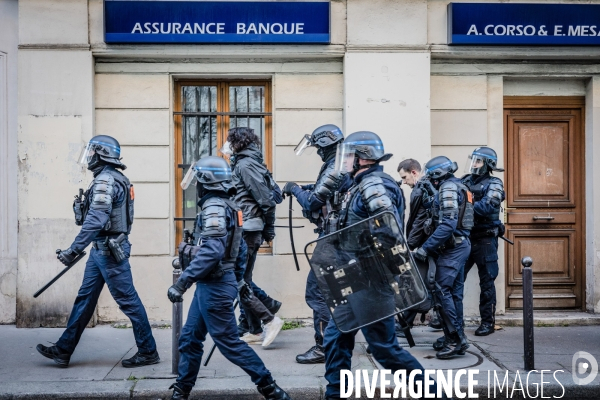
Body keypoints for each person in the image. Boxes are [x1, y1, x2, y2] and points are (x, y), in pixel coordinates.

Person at [322, 131, 439, 399]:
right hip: (353, 278)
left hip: (371, 279)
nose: (344, 161)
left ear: (362, 158)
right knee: (336, 338)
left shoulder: (375, 185)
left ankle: (435, 394)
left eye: (348, 155)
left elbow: (387, 231)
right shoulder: (359, 183)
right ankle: (334, 393)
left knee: (385, 349)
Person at [167, 157, 291, 400]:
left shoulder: (214, 206)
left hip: (214, 287)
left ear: (205, 182)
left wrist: (182, 282)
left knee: (229, 344)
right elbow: (240, 249)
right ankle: (181, 391)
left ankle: (271, 389)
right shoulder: (229, 205)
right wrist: (240, 280)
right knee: (190, 339)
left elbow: (213, 251)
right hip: (212, 285)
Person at [37, 135, 159, 368]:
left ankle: (148, 351)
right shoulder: (113, 177)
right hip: (101, 251)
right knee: (85, 299)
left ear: (101, 154)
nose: (89, 157)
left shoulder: (105, 180)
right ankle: (63, 350)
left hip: (109, 252)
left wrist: (73, 250)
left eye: (92, 152)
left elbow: (95, 220)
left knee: (129, 302)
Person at [282, 124, 350, 364]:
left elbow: (312, 202)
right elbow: (325, 192)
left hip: (332, 242)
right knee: (337, 294)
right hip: (338, 241)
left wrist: (294, 189)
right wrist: (302, 187)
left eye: (318, 147)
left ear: (325, 145)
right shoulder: (340, 164)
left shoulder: (336, 166)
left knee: (318, 293)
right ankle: (337, 341)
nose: (318, 152)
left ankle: (323, 346)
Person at [224, 127, 283, 344]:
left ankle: (269, 318)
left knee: (238, 280)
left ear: (237, 142)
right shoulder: (243, 162)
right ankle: (256, 328)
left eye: (229, 141)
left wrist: (268, 229)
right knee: (243, 279)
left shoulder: (245, 164)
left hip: (247, 229)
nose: (227, 146)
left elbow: (265, 199)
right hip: (246, 227)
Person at [412, 155, 473, 359]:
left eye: (431, 177)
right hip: (459, 246)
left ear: (437, 175)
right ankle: (457, 337)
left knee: (441, 291)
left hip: (453, 247)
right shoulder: (456, 186)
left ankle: (453, 340)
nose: (429, 179)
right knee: (454, 293)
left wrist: (426, 248)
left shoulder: (447, 188)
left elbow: (448, 223)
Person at [461, 147, 506, 336]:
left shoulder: (494, 183)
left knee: (487, 282)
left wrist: (463, 207)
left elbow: (487, 206)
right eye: (474, 161)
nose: (474, 165)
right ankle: (448, 320)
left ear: (487, 164)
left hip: (485, 239)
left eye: (478, 162)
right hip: (465, 238)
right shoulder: (464, 180)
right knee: (453, 279)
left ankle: (487, 322)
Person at [396, 159, 441, 335]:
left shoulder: (420, 189)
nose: (404, 182)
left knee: (417, 284)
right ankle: (437, 320)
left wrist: (410, 246)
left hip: (425, 245)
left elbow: (418, 221)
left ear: (414, 172)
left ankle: (406, 324)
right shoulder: (431, 186)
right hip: (433, 244)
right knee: (429, 283)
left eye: (405, 177)